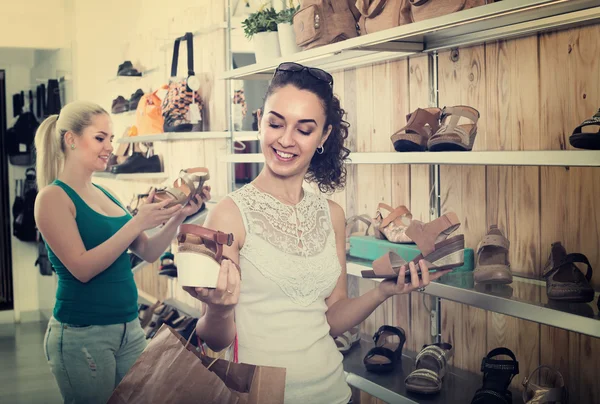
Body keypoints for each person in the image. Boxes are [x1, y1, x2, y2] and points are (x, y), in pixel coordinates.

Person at [184, 63, 451, 404]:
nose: (285, 139)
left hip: (334, 393)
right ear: (260, 121)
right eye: (275, 122)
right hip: (259, 396)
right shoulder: (230, 214)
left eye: (304, 129)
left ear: (324, 136)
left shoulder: (332, 214)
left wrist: (382, 292)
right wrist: (220, 310)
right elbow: (213, 340)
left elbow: (331, 318)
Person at [34, 101, 209, 404]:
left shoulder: (104, 192)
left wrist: (180, 215)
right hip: (83, 334)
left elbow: (149, 251)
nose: (109, 147)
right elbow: (82, 268)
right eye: (100, 138)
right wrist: (137, 221)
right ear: (71, 139)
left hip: (129, 329)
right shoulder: (52, 198)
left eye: (111, 139)